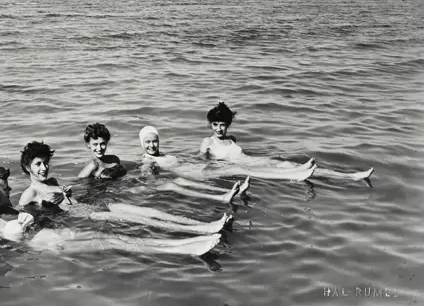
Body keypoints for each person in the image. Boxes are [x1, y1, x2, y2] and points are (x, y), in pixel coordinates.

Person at [0, 165, 222, 257]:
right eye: (3, 187)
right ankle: (187, 249)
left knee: (116, 239)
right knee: (112, 241)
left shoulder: (11, 208)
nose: (9, 188)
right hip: (54, 247)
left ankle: (188, 243)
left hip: (62, 236)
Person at [19, 140, 231, 234]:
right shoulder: (31, 192)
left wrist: (67, 192)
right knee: (140, 219)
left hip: (95, 205)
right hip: (89, 216)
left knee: (151, 211)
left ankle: (201, 225)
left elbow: (66, 194)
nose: (44, 167)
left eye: (46, 162)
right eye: (38, 164)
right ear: (27, 167)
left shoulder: (52, 181)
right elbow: (22, 216)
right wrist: (45, 209)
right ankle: (196, 231)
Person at [200, 102, 374, 181]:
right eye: (215, 124)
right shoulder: (207, 142)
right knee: (295, 171)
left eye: (223, 125)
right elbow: (201, 162)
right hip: (245, 167)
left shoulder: (232, 139)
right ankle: (349, 177)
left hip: (255, 162)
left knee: (289, 165)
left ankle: (349, 176)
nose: (219, 129)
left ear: (228, 124)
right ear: (210, 125)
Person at [139, 125, 250, 200]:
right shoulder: (148, 160)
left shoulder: (161, 154)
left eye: (155, 141)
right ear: (142, 143)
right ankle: (222, 197)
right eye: (147, 142)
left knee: (222, 166)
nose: (152, 145)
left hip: (194, 168)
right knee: (226, 169)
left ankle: (232, 192)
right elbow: (149, 177)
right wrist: (153, 181)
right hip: (192, 173)